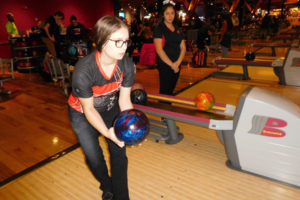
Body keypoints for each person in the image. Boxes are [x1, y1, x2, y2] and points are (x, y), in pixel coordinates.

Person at [68, 15, 135, 200]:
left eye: (126, 41)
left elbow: (124, 100)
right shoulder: (83, 71)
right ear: (101, 41)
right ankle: (107, 185)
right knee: (94, 158)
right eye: (118, 42)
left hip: (110, 107)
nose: (124, 47)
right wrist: (107, 132)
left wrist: (131, 127)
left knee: (119, 151)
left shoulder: (127, 65)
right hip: (81, 113)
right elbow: (89, 110)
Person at [154, 0, 186, 96]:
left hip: (177, 64)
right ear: (163, 14)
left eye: (172, 13)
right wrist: (172, 65)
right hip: (165, 64)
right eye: (167, 13)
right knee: (164, 92)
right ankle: (162, 110)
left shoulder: (177, 29)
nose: (170, 16)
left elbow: (183, 48)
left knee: (171, 91)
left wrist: (177, 63)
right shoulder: (159, 29)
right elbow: (159, 50)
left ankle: (168, 109)